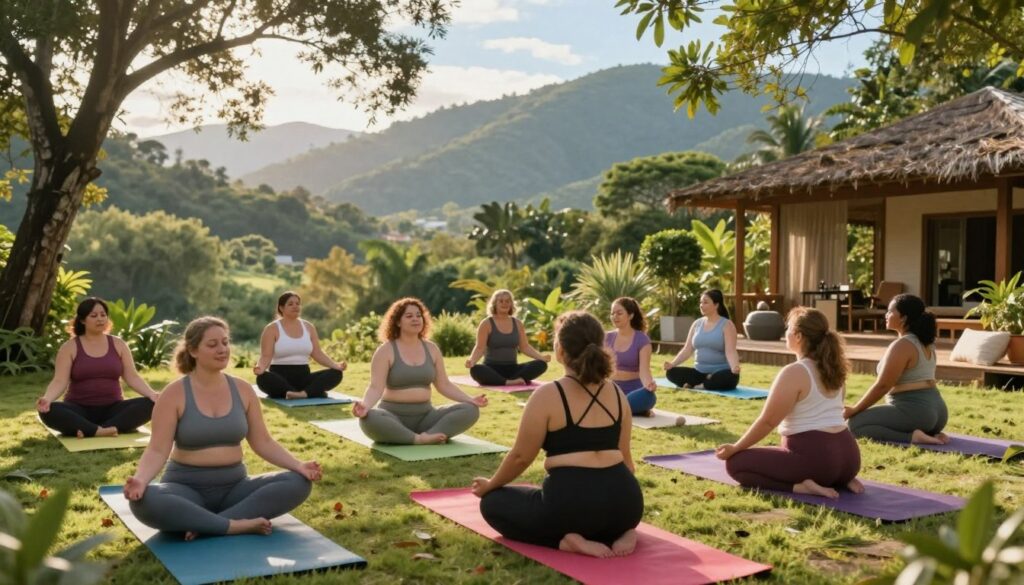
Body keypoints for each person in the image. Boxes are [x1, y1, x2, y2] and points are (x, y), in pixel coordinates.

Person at [124, 316, 319, 539]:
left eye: (225, 342)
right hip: (186, 490)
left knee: (298, 482)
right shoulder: (174, 394)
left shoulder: (243, 390)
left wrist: (298, 465)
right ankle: (233, 525)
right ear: (193, 350)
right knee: (146, 501)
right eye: (212, 344)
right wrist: (141, 480)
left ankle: (205, 524)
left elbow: (263, 442)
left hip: (235, 488)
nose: (222, 349)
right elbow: (157, 450)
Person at [472, 310, 643, 558]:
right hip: (627, 505)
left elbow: (520, 457)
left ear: (560, 350)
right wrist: (615, 503)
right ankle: (622, 532)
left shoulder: (548, 395)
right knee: (603, 514)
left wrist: (490, 485)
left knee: (493, 503)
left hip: (571, 509)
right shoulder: (617, 393)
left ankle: (565, 541)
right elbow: (627, 461)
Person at [715, 308, 862, 499]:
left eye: (788, 329)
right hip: (850, 459)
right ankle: (842, 479)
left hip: (819, 462)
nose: (786, 333)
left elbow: (768, 421)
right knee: (784, 456)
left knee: (736, 464)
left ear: (798, 336)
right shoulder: (834, 370)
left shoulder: (795, 372)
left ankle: (802, 487)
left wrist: (736, 448)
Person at [353, 298, 488, 444]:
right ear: (397, 322)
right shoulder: (385, 350)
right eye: (409, 316)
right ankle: (418, 439)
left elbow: (444, 384)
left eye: (418, 315)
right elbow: (375, 387)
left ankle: (429, 435)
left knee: (470, 410)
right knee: (369, 418)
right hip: (392, 417)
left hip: (426, 417)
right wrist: (365, 406)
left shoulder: (432, 349)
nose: (416, 319)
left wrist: (470, 399)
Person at [37, 297, 157, 438]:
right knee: (49, 410)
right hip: (79, 410)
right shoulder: (69, 347)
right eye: (93, 316)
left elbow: (132, 376)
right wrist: (47, 399)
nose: (100, 319)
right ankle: (101, 429)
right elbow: (59, 381)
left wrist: (152, 394)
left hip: (113, 409)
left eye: (103, 315)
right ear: (82, 320)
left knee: (151, 404)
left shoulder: (119, 345)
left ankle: (89, 429)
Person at [845, 294, 948, 445]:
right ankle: (929, 432)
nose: (886, 315)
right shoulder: (926, 343)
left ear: (903, 318)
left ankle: (913, 437)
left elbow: (883, 385)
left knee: (854, 425)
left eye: (890, 311)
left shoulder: (902, 345)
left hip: (919, 412)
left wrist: (855, 409)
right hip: (939, 412)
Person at [253, 291, 346, 400]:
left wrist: (336, 366)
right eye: (290, 304)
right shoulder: (271, 328)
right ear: (281, 308)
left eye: (297, 303)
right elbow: (266, 356)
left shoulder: (309, 327)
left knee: (336, 374)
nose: (295, 306)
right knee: (262, 378)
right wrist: (260, 368)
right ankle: (309, 392)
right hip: (280, 377)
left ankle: (301, 394)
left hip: (304, 377)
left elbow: (317, 353)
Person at [466, 289, 550, 385]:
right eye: (501, 301)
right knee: (476, 369)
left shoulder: (518, 323)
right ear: (495, 304)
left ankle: (508, 380)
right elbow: (480, 347)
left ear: (511, 304)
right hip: (491, 369)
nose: (504, 303)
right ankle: (507, 382)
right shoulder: (486, 323)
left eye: (507, 301)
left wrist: (541, 357)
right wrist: (472, 361)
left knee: (541, 364)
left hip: (513, 369)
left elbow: (525, 347)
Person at [663, 289, 741, 390]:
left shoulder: (727, 325)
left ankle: (700, 385)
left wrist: (734, 366)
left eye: (705, 302)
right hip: (699, 372)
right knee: (671, 373)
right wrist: (672, 364)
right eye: (701, 302)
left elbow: (730, 351)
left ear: (716, 305)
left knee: (730, 377)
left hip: (720, 372)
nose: (701, 305)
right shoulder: (697, 324)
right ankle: (705, 382)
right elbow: (687, 349)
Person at [605, 297, 657, 416]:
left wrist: (649, 384)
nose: (615, 316)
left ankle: (621, 408)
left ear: (630, 315)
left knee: (649, 397)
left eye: (619, 313)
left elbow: (644, 370)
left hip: (634, 391)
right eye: (612, 313)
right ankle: (628, 409)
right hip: (611, 389)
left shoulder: (642, 340)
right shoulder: (606, 338)